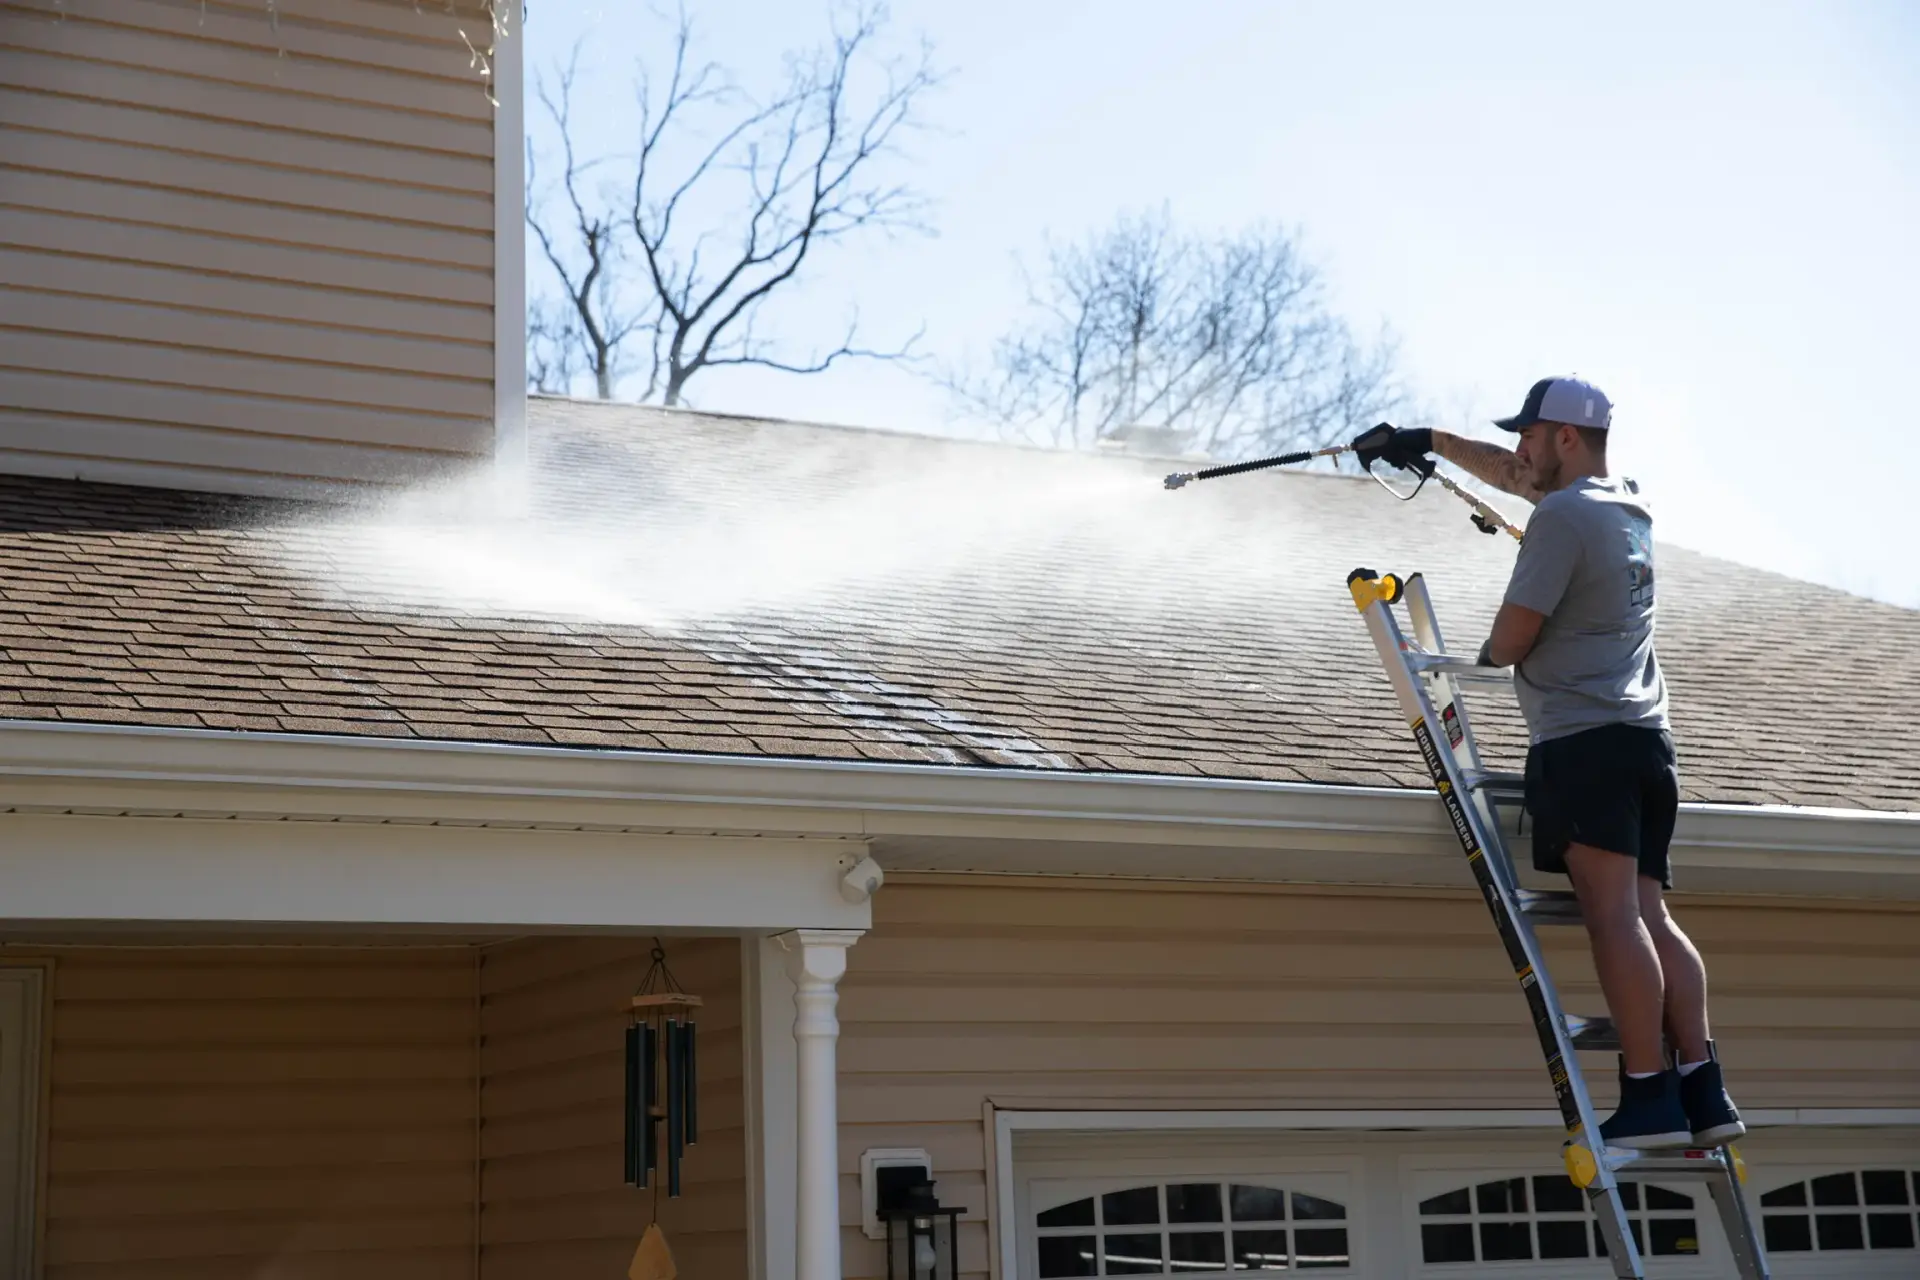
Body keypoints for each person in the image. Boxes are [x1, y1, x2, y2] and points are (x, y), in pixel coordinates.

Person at [1358, 377, 1744, 1150]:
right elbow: (1515, 477)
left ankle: (1647, 1092)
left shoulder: (1562, 518)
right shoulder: (1623, 503)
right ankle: (1702, 1087)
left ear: (1565, 437)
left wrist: (1482, 656)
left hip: (1585, 745)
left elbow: (1515, 635)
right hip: (1644, 741)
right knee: (1650, 914)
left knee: (1613, 918)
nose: (1519, 448)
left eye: (1530, 434)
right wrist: (1427, 441)